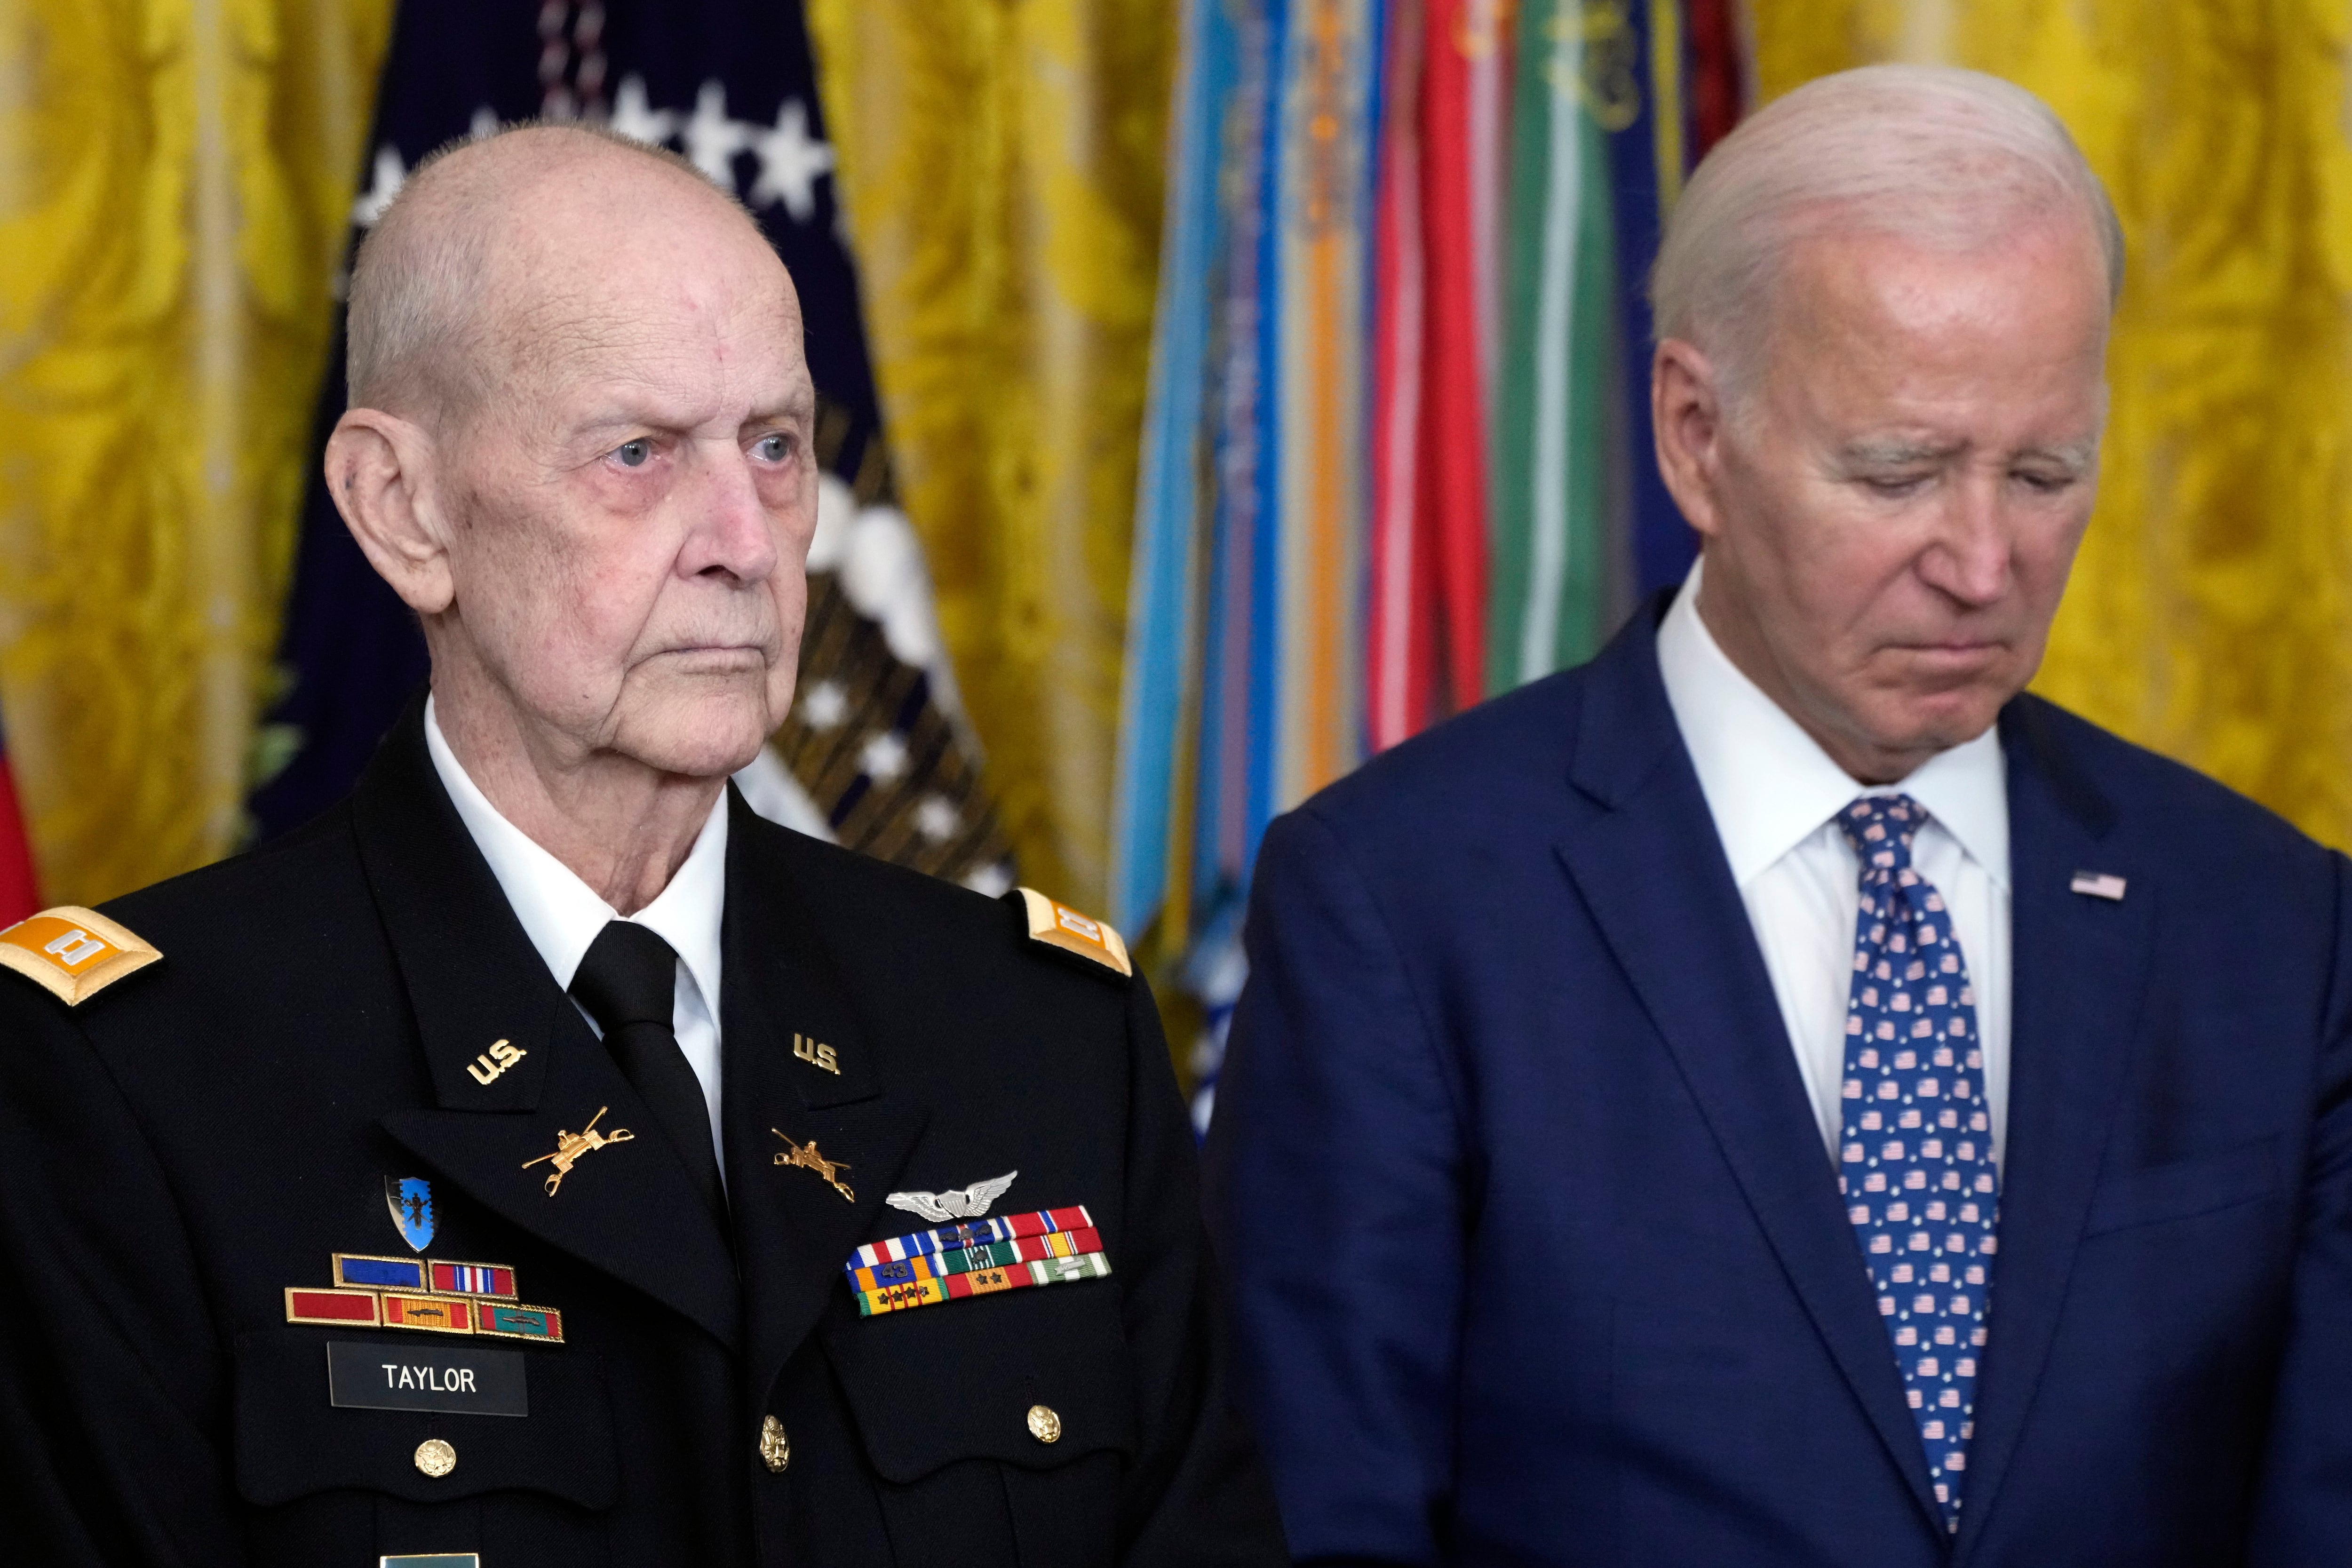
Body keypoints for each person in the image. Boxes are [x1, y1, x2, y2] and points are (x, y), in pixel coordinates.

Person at [0, 124, 1284, 1568]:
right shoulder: (127, 1082)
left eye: (777, 448)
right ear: (403, 509)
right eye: (637, 453)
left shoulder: (1040, 1038)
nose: (745, 539)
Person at [1206, 64, 2352, 1566]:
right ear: (1696, 433)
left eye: (2046, 472)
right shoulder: (1401, 909)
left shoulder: (2275, 929)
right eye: (1900, 472)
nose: (1985, 561)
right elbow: (1321, 1524)